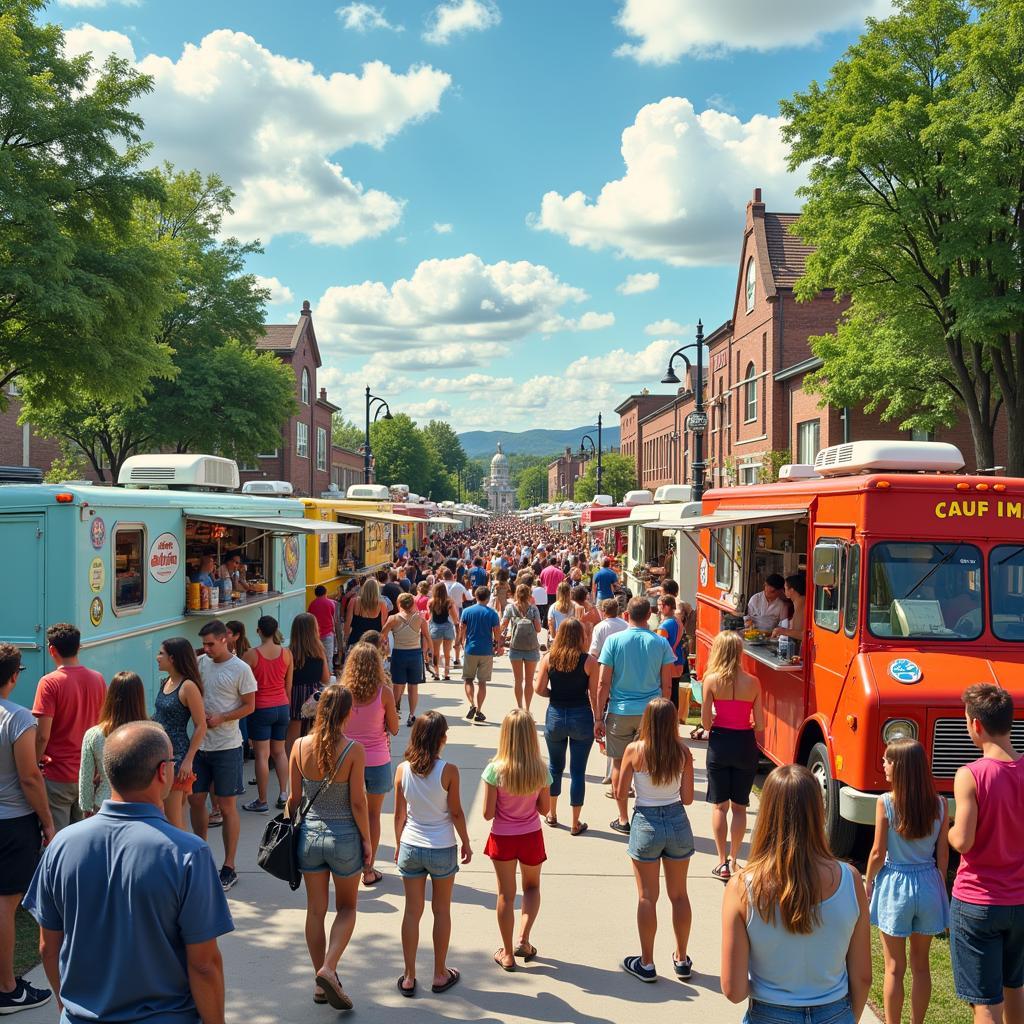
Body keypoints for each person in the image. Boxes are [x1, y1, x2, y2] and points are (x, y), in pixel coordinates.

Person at [24, 721, 232, 1024]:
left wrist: (64, 1003)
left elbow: (48, 946)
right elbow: (204, 965)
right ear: (163, 772)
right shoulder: (188, 853)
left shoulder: (61, 846)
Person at [721, 764, 872, 1024]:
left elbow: (733, 991)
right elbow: (863, 977)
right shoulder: (851, 879)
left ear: (767, 812)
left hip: (768, 1014)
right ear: (818, 811)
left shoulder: (742, 886)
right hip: (835, 1013)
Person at [287, 685, 371, 1010]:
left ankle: (319, 984)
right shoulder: (353, 750)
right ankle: (329, 968)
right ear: (347, 714)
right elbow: (358, 802)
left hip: (309, 837)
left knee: (315, 911)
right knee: (347, 908)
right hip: (345, 837)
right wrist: (367, 841)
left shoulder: (298, 746)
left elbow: (293, 800)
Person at [949, 683, 1024, 1024]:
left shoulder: (970, 775)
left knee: (985, 1002)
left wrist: (947, 830)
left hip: (979, 900)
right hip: (1020, 901)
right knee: (1015, 987)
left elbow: (963, 841)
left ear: (976, 725)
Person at [865, 737, 949, 1024]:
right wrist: (941, 889)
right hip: (927, 882)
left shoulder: (886, 803)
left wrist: (867, 883)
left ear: (899, 767)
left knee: (893, 968)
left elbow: (878, 852)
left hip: (895, 886)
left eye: (887, 760)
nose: (883, 765)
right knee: (921, 966)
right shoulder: (939, 804)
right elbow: (943, 854)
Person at [617, 698, 696, 983]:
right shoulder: (683, 753)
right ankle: (682, 958)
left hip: (646, 821)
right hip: (677, 822)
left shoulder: (634, 751)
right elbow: (687, 798)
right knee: (679, 895)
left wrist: (624, 817)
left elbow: (620, 790)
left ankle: (647, 963)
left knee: (647, 897)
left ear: (647, 720)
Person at [394, 712, 472, 997]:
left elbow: (400, 814)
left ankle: (408, 975)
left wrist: (399, 843)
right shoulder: (449, 771)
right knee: (441, 911)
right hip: (441, 847)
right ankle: (439, 973)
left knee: (412, 912)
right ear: (441, 739)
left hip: (411, 845)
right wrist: (466, 841)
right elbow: (456, 812)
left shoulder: (402, 770)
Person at [0, 644, 54, 1014]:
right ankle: (6, 989)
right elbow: (30, 776)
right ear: (15, 675)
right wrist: (48, 823)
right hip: (13, 823)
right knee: (5, 906)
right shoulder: (19, 719)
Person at [596, 598, 676, 834]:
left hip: (620, 712)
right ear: (649, 615)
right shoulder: (660, 643)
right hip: (651, 713)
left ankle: (622, 818)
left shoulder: (613, 641)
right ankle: (649, 810)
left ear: (626, 614)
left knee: (620, 763)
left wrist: (599, 716)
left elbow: (603, 682)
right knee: (650, 762)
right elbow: (667, 685)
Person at [188, 620, 258, 892]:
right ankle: (201, 854)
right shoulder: (200, 663)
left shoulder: (241, 669)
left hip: (227, 746)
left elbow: (250, 706)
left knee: (227, 806)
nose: (206, 649)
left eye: (210, 644)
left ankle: (229, 865)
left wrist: (223, 717)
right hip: (200, 746)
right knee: (195, 800)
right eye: (203, 644)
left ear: (225, 639)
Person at [482, 709, 552, 972]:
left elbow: (488, 813)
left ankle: (508, 953)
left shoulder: (494, 770)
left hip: (502, 836)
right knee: (532, 887)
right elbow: (545, 810)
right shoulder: (541, 770)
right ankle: (524, 937)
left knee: (505, 894)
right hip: (531, 835)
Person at [700, 631, 764, 880]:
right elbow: (759, 725)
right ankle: (736, 859)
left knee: (719, 806)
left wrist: (717, 718)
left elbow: (705, 724)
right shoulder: (753, 682)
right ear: (739, 653)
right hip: (745, 744)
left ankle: (721, 861)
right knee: (740, 807)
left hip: (720, 744)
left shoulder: (711, 680)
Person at [31, 623, 106, 832]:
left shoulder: (49, 683)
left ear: (52, 649)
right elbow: (103, 725)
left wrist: (34, 763)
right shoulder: (98, 679)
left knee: (57, 841)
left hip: (57, 775)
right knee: (83, 840)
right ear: (78, 647)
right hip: (89, 774)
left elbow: (42, 736)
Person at [341, 643, 399, 887]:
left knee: (348, 815)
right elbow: (395, 728)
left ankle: (346, 863)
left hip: (347, 760)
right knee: (373, 815)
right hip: (377, 759)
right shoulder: (383, 692)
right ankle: (368, 868)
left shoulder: (342, 692)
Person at [534, 618, 597, 836]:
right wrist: (598, 719)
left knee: (555, 767)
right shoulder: (589, 661)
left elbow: (539, 688)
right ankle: (575, 821)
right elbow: (594, 694)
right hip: (581, 715)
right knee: (578, 772)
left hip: (556, 715)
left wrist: (554, 694)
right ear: (581, 636)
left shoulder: (549, 658)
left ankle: (552, 813)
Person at [153, 638, 207, 829]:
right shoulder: (165, 681)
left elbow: (201, 725)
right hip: (161, 754)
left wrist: (188, 760)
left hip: (176, 758)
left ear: (173, 658)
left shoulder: (188, 686)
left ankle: (183, 857)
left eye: (161, 653)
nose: (157, 657)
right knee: (171, 816)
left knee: (173, 819)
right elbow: (159, 716)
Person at [242, 616, 293, 814]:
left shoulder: (251, 655)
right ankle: (283, 794)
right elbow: (288, 686)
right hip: (282, 706)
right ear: (275, 630)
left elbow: (244, 685)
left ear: (258, 631)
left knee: (262, 755)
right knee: (280, 752)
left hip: (261, 708)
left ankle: (262, 800)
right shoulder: (286, 654)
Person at [78, 672, 148, 814]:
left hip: (104, 804)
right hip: (142, 805)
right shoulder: (151, 732)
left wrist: (86, 807)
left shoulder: (94, 734)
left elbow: (86, 777)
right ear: (140, 697)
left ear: (110, 697)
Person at [381, 592, 431, 727]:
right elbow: (427, 637)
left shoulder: (393, 618)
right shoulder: (420, 619)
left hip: (399, 654)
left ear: (399, 604)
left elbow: (382, 635)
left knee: (397, 686)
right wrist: (428, 654)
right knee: (413, 687)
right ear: (412, 604)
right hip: (415, 655)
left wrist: (385, 649)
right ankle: (412, 714)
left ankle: (391, 712)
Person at [287, 613, 330, 754]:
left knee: (294, 726)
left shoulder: (289, 652)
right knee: (314, 729)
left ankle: (291, 759)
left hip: (295, 693)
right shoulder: (319, 651)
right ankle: (310, 758)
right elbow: (325, 678)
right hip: (314, 694)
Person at [459, 586, 503, 724]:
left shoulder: (467, 611)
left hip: (471, 649)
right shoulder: (492, 613)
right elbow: (497, 632)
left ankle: (472, 704)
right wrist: (497, 646)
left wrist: (461, 641)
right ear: (488, 598)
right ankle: (479, 710)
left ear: (475, 596)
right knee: (482, 682)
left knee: (468, 679)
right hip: (486, 650)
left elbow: (462, 628)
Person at [501, 584, 543, 712]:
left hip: (516, 647)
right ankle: (528, 709)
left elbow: (503, 625)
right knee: (529, 681)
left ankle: (519, 707)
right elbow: (538, 629)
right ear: (529, 594)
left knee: (518, 680)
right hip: (531, 648)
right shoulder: (533, 609)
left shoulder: (510, 608)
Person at [655, 595, 689, 714]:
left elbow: (658, 646)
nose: (658, 608)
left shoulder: (664, 625)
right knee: (674, 692)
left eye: (660, 605)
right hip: (678, 660)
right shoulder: (677, 620)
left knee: (666, 694)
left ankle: (667, 721)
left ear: (667, 607)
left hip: (668, 662)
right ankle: (674, 722)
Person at [345, 578, 389, 650]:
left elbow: (347, 623)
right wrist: (385, 643)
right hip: (374, 645)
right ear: (377, 590)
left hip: (356, 642)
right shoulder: (382, 604)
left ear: (364, 588)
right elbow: (384, 626)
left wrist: (346, 638)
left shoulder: (353, 601)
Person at [428, 582, 458, 681]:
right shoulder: (449, 602)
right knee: (447, 652)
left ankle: (436, 673)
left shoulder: (431, 602)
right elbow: (455, 618)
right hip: (447, 627)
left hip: (435, 627)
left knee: (435, 652)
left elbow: (430, 617)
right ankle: (446, 673)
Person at [771, 574, 807, 654]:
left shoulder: (802, 605)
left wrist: (782, 631)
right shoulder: (799, 603)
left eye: (785, 588)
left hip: (802, 653)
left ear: (792, 590)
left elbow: (803, 635)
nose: (784, 591)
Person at [443, 570, 471, 668]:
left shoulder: (440, 585)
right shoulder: (458, 585)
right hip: (457, 609)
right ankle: (456, 658)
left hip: (442, 610)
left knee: (444, 634)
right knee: (457, 633)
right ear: (452, 576)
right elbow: (469, 597)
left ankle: (446, 658)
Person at [308, 585, 338, 673]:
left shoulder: (312, 605)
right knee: (328, 657)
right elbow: (334, 618)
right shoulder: (330, 603)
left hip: (315, 636)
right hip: (328, 634)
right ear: (325, 592)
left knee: (316, 657)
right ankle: (328, 678)